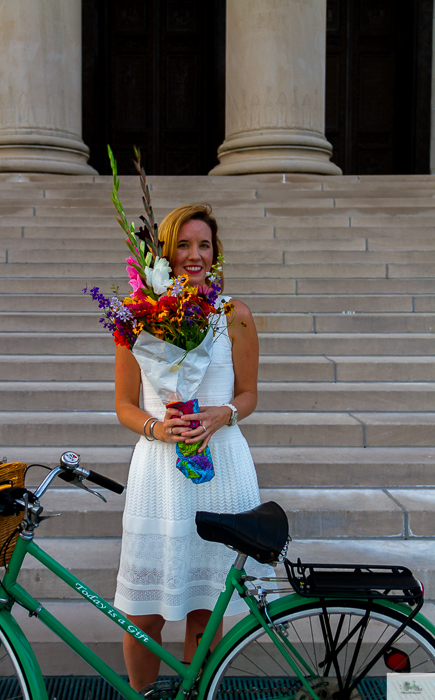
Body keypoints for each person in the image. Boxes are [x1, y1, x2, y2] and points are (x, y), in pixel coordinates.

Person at [114, 204, 271, 690]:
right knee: (144, 614)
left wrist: (226, 413)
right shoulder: (135, 317)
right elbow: (124, 405)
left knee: (206, 609)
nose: (194, 255)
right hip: (159, 472)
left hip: (221, 465)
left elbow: (249, 393)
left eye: (204, 245)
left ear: (215, 253)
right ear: (164, 252)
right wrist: (161, 430)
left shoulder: (235, 315)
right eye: (183, 245)